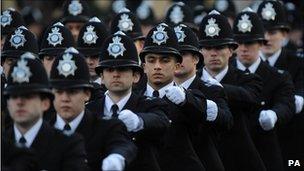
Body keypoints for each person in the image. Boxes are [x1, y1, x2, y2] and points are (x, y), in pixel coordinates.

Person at [87, 32, 170, 171]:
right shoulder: (90, 110)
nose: (115, 74)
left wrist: (139, 121)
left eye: (122, 69)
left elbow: (161, 121)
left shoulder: (150, 104)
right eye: (109, 69)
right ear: (101, 76)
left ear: (136, 76)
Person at [48, 47, 137, 171]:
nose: (65, 98)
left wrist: (117, 157)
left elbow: (123, 145)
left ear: (87, 94)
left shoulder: (106, 128)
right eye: (59, 91)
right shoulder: (43, 131)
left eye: (72, 91)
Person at [197, 10, 266, 171]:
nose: (213, 53)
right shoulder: (193, 81)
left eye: (219, 47)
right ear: (200, 51)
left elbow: (251, 96)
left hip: (238, 159)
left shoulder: (248, 79)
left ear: (230, 50)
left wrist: (218, 88)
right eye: (207, 47)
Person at [232, 7, 296, 171]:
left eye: (250, 42)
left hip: (264, 153)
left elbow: (287, 104)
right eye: (239, 43)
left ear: (261, 43)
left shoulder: (278, 77)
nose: (244, 48)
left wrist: (274, 114)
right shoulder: (225, 73)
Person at [139, 22, 207, 171]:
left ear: (177, 66)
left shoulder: (189, 98)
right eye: (151, 60)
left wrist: (185, 100)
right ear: (144, 67)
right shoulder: (135, 98)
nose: (157, 66)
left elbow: (199, 112)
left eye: (165, 60)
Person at [3, 52, 88, 171]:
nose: (19, 102)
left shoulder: (67, 145)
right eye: (14, 96)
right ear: (7, 103)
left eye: (28, 96)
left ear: (45, 103)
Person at [173, 23, 232, 171]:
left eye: (184, 54)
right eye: (173, 55)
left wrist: (207, 107)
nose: (178, 60)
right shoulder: (159, 89)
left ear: (196, 59)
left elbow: (227, 120)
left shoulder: (210, 89)